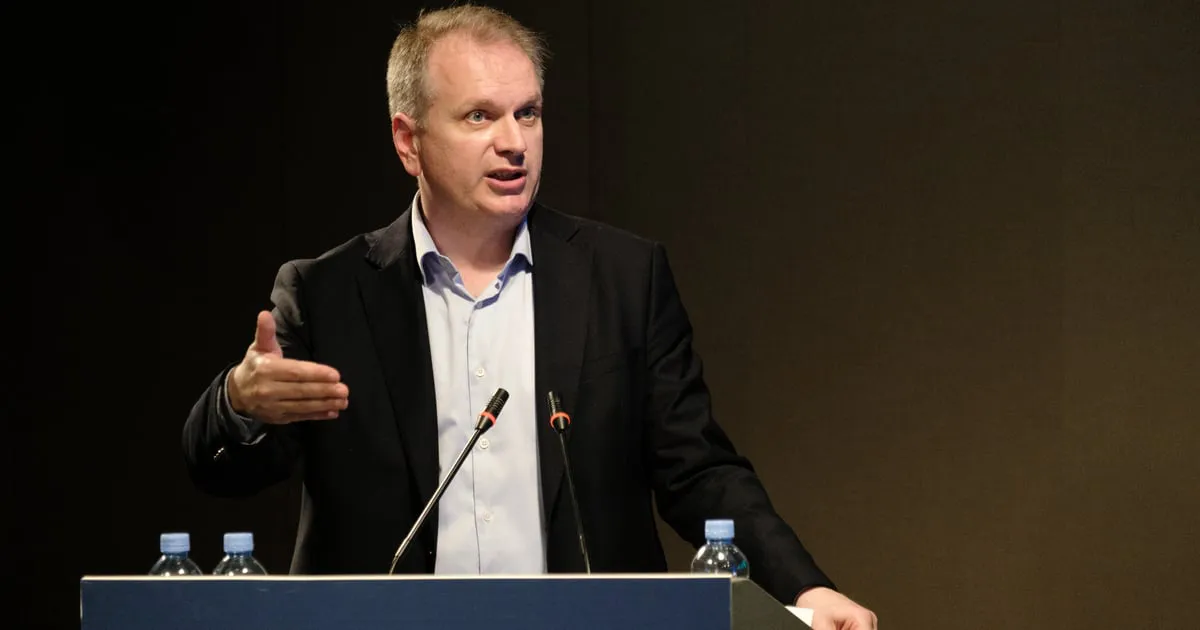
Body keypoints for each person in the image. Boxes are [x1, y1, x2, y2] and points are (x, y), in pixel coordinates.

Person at [182, 5, 876, 628]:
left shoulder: (622, 278)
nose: (514, 142)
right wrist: (239, 404)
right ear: (408, 141)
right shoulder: (328, 295)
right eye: (480, 116)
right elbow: (223, 473)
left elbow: (698, 470)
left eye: (529, 113)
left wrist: (804, 588)